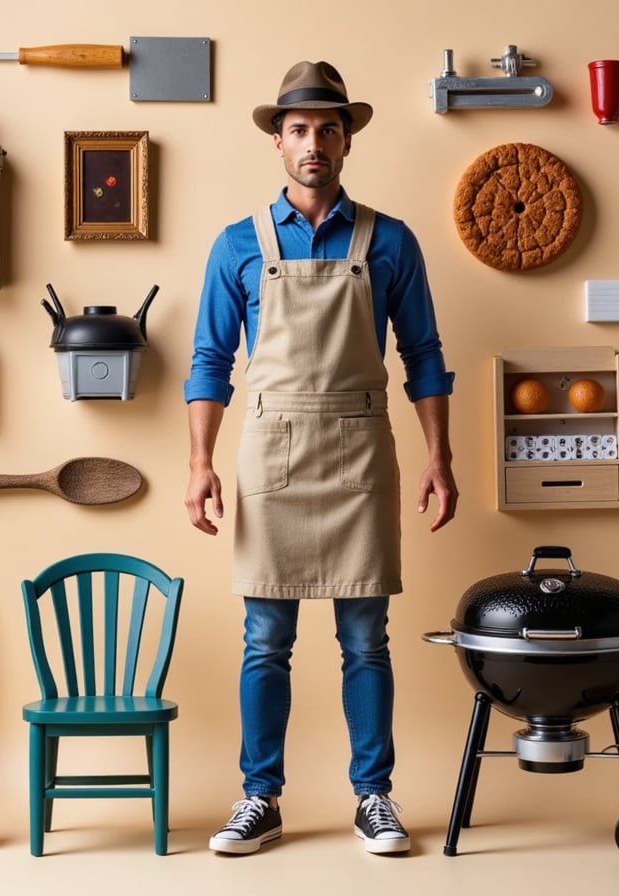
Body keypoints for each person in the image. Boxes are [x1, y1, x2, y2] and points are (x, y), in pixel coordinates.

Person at [184, 60, 457, 856]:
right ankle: (258, 798)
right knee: (265, 637)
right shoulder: (238, 245)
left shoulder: (391, 240)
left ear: (347, 140)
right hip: (271, 458)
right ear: (278, 141)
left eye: (328, 129)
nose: (314, 143)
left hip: (358, 455)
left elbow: (426, 357)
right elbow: (209, 360)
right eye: (299, 129)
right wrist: (200, 463)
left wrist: (440, 457)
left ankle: (373, 796)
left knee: (365, 639)